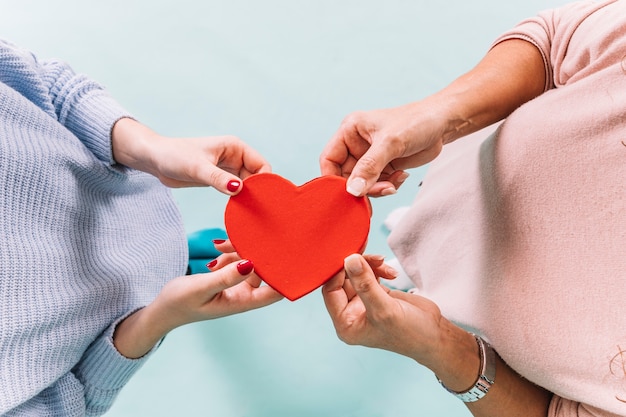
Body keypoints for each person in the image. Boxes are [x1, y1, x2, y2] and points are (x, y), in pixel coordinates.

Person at [319, 0, 626, 416]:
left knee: (403, 272)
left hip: (457, 311)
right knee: (420, 228)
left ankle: (415, 266)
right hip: (449, 180)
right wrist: (441, 115)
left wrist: (440, 344)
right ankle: (414, 233)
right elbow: (556, 41)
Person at [0, 38, 282, 416]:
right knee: (208, 263)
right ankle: (177, 270)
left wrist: (149, 148)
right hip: (117, 325)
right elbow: (70, 405)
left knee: (193, 251)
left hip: (128, 203)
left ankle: (178, 257)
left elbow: (38, 82)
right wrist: (159, 318)